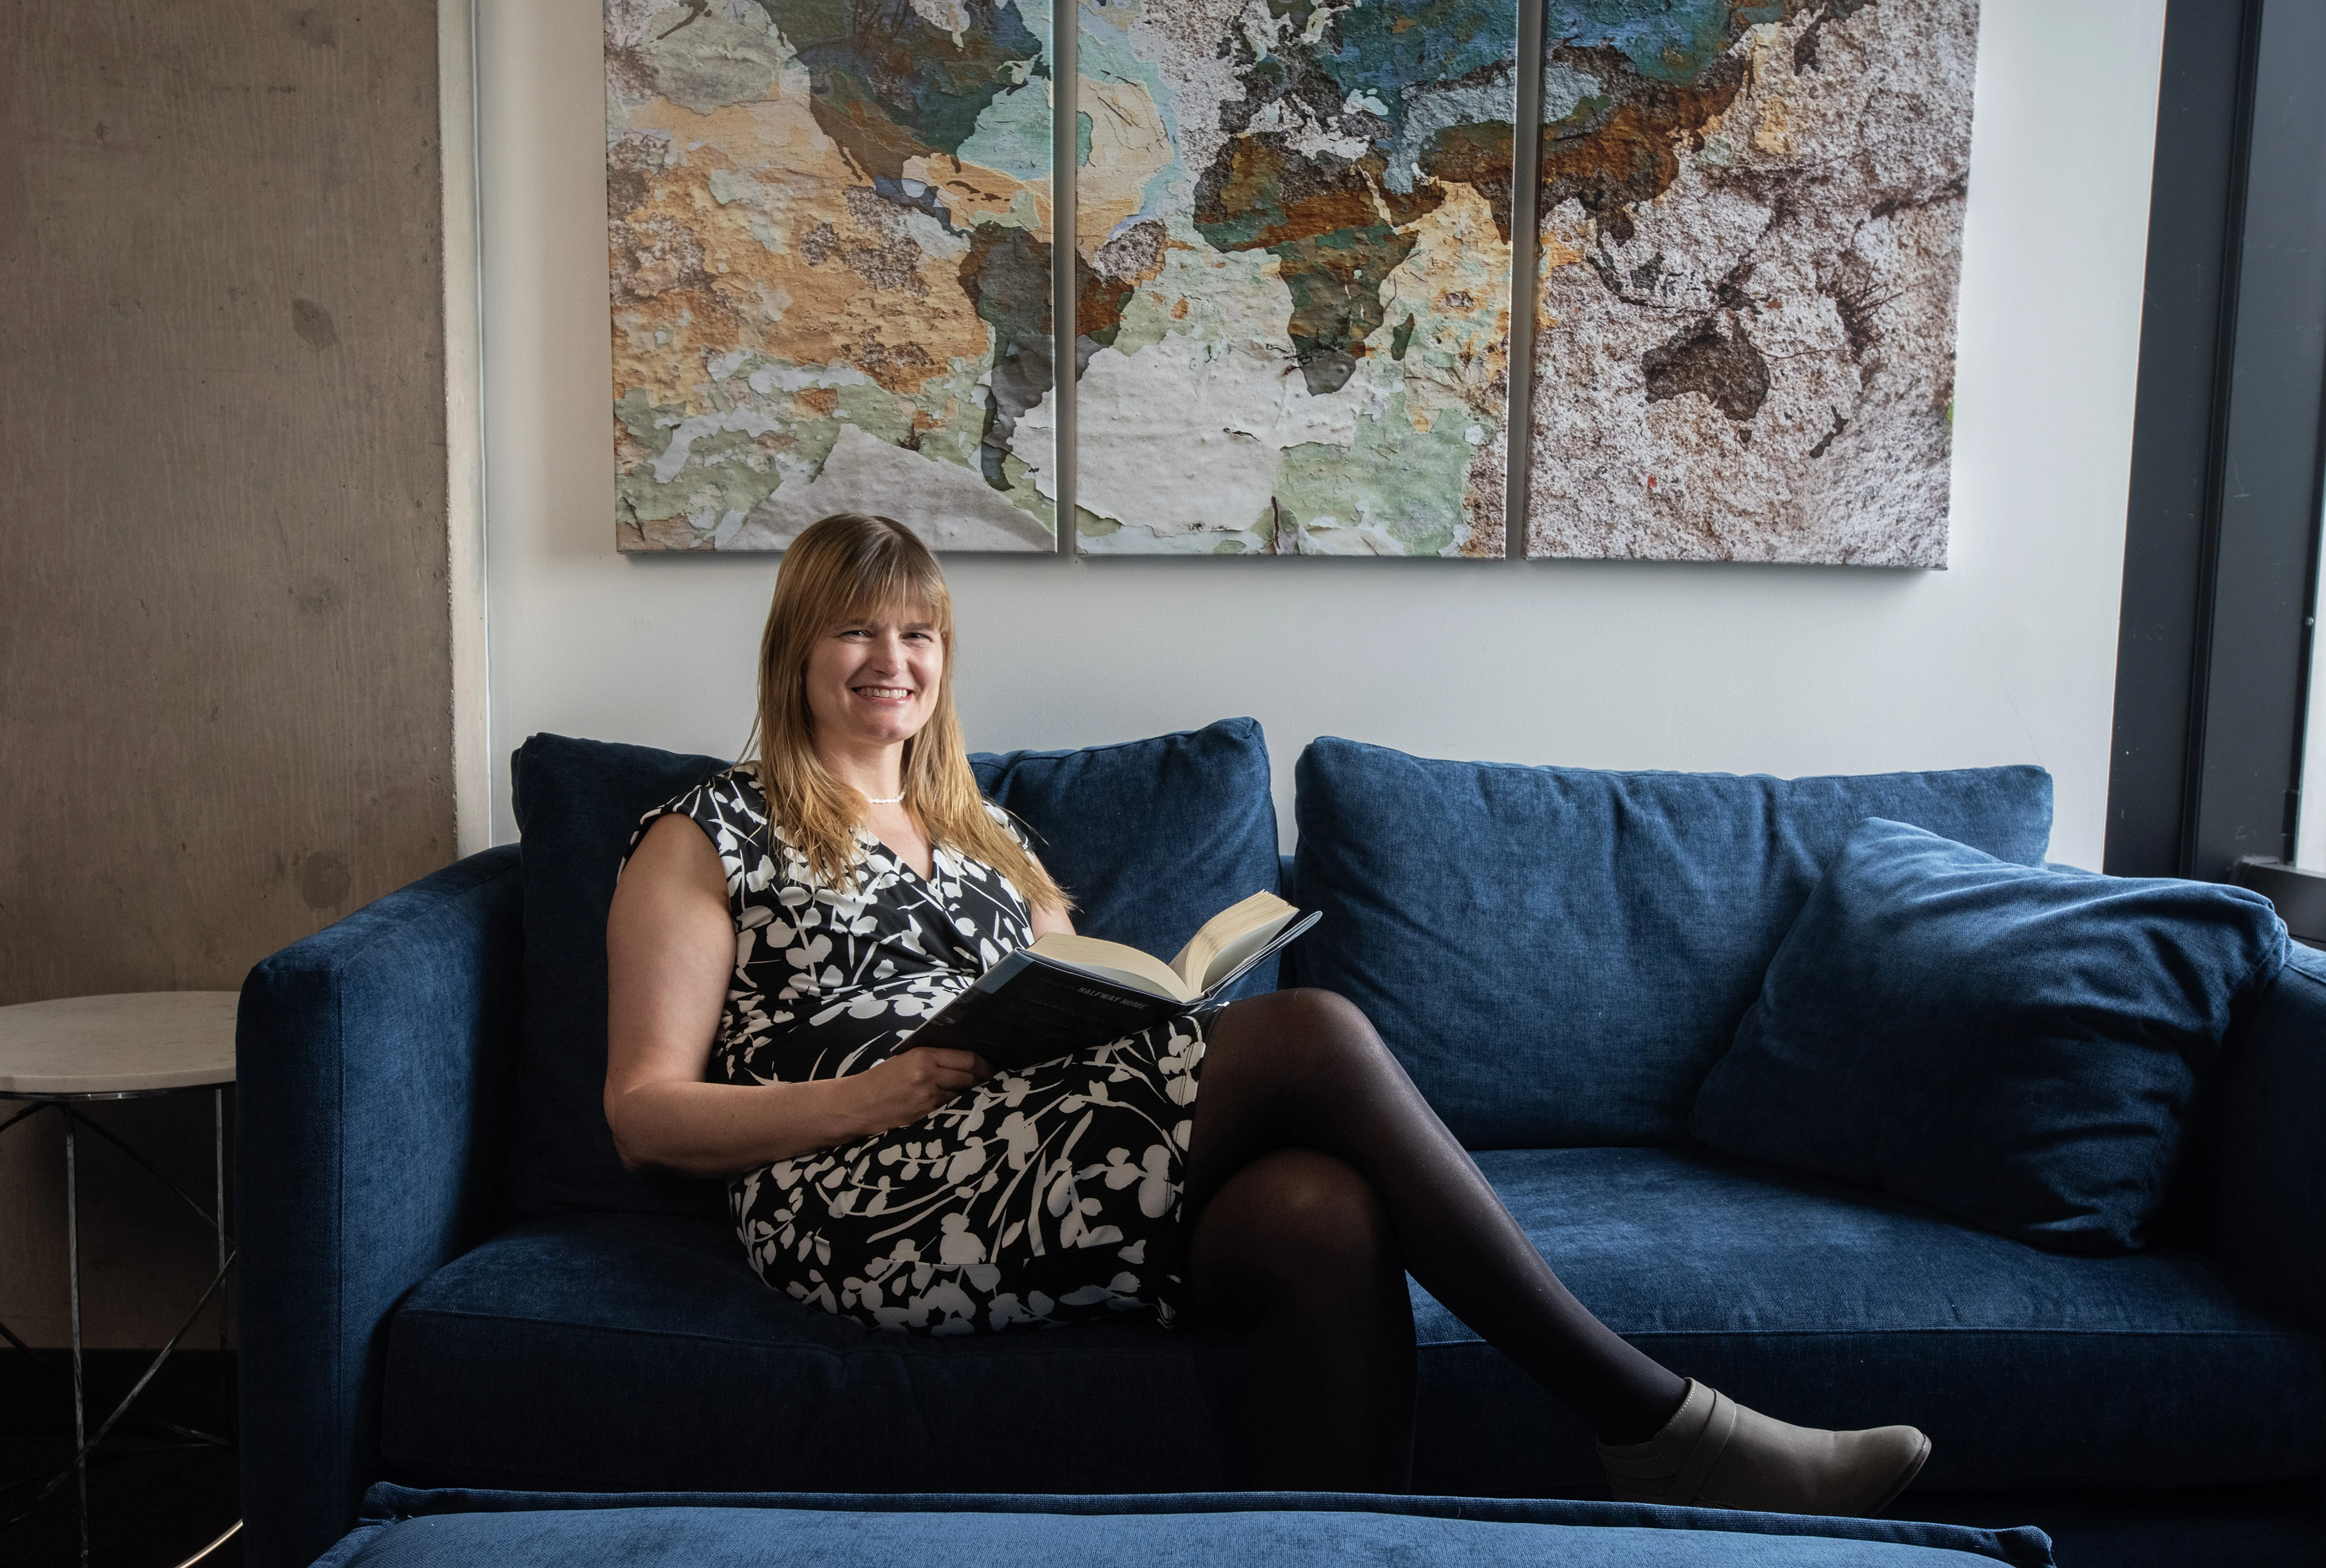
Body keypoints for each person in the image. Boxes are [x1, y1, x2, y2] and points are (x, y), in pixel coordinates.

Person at [604, 512, 1930, 1512]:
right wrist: (876, 1093)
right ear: (798, 647)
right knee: (1312, 1034)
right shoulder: (710, 830)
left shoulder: (988, 834)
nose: (891, 659)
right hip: (859, 1191)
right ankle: (1653, 1420)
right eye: (857, 628)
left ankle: (1338, 1542)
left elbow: (1067, 1001)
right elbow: (645, 1114)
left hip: (1017, 1154)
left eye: (918, 632)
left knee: (1323, 1215)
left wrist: (1127, 1007)